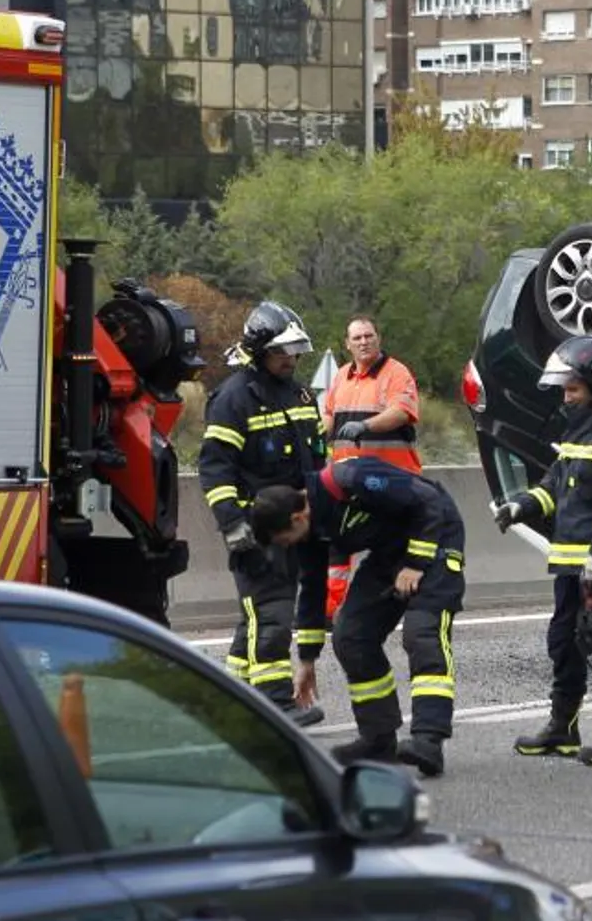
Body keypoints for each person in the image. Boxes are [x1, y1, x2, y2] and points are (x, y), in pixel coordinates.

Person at [248, 454, 465, 777]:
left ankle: (428, 740)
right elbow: (312, 589)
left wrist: (416, 564)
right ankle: (378, 739)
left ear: (297, 518)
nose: (287, 547)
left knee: (422, 634)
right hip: (389, 553)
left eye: (284, 540)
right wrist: (307, 660)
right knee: (350, 635)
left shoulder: (348, 479)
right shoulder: (309, 532)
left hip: (434, 538)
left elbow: (428, 501)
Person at [491, 336, 592, 768]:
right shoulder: (581, 425)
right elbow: (557, 484)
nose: (566, 397)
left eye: (572, 388)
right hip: (569, 561)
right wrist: (521, 505)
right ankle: (563, 727)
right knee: (564, 641)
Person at [196, 300, 328, 728]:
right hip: (258, 529)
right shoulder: (235, 399)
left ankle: (234, 699)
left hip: (299, 526)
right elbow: (215, 468)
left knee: (255, 616)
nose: (290, 359)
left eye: (294, 351)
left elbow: (317, 460)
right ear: (259, 352)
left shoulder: (301, 393)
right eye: (281, 352)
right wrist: (233, 526)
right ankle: (275, 704)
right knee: (270, 614)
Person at [318, 315, 424, 621]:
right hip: (348, 482)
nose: (364, 342)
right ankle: (329, 610)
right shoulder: (341, 377)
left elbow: (401, 412)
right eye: (357, 338)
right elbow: (329, 417)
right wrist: (311, 434)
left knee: (396, 548)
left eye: (369, 336)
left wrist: (365, 425)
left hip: (392, 483)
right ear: (347, 344)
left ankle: (404, 605)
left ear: (378, 338)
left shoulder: (396, 373)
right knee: (337, 545)